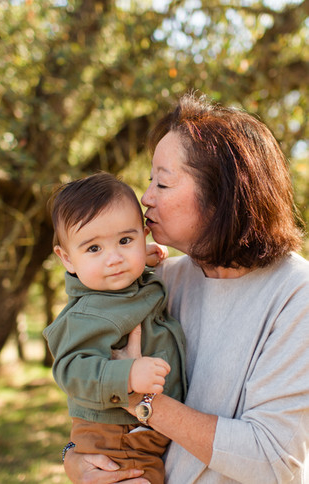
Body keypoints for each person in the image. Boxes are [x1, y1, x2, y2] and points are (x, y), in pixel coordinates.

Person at [63, 92, 309, 484]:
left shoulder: (296, 294)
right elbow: (86, 374)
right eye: (149, 180)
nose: (145, 198)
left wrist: (143, 403)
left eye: (162, 182)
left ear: (222, 194)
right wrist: (75, 457)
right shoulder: (162, 281)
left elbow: (274, 460)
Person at [43, 172, 187, 483]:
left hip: (139, 433)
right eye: (94, 249)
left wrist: (142, 263)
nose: (114, 259)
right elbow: (70, 370)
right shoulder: (88, 314)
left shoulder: (121, 286)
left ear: (144, 235)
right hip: (115, 440)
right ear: (67, 259)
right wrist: (128, 376)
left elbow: (123, 278)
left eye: (125, 240)